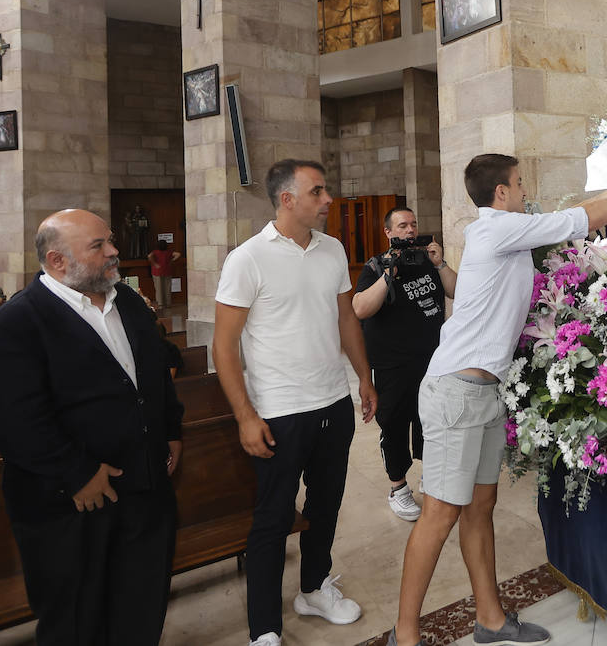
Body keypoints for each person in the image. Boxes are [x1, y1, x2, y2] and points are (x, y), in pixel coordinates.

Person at [388, 154, 607, 646]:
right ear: (500, 194)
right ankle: (404, 635)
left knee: (479, 506)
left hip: (485, 391)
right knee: (441, 511)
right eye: (518, 183)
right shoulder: (494, 230)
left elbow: (575, 211)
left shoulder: (513, 229)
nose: (523, 190)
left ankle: (490, 619)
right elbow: (583, 218)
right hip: (455, 391)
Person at [0, 209, 184, 646]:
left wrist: (171, 430)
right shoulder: (16, 323)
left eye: (110, 241)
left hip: (144, 490)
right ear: (57, 261)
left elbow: (152, 376)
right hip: (69, 505)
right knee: (77, 619)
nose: (114, 252)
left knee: (141, 606)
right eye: (99, 246)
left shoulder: (126, 301)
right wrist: (76, 473)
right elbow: (14, 420)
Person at [212, 159, 378, 646]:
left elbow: (347, 319)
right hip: (279, 410)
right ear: (287, 199)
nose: (328, 200)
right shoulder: (247, 259)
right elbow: (224, 346)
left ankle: (313, 589)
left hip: (332, 401)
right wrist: (245, 415)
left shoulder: (333, 250)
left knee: (326, 505)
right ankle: (264, 628)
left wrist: (364, 379)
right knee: (273, 517)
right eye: (318, 192)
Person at [352, 207, 457, 521]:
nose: (410, 230)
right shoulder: (375, 266)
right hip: (392, 365)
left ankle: (431, 477)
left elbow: (458, 292)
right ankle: (398, 488)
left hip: (431, 360)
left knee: (431, 422)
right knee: (395, 426)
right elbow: (359, 309)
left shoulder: (428, 261)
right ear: (388, 232)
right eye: (402, 225)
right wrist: (389, 275)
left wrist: (441, 263)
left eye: (413, 224)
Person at [147, 240, 181, 310]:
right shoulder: (169, 252)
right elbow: (178, 254)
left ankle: (160, 304)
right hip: (167, 271)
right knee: (167, 288)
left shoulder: (155, 252)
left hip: (157, 272)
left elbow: (149, 256)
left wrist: (154, 263)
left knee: (159, 288)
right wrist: (172, 260)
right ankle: (168, 303)